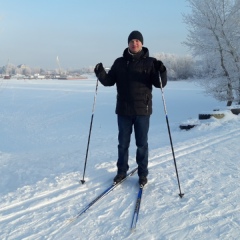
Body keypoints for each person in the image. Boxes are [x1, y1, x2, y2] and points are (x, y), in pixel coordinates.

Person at [94, 30, 167, 187]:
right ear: (128, 44)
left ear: (142, 43)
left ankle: (142, 174)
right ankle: (121, 172)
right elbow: (109, 81)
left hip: (143, 110)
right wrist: (100, 73)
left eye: (137, 41)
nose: (135, 43)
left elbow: (160, 83)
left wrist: (161, 70)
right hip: (124, 111)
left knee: (141, 145)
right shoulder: (119, 62)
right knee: (123, 144)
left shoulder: (150, 62)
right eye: (132, 41)